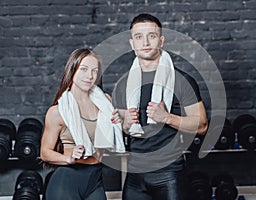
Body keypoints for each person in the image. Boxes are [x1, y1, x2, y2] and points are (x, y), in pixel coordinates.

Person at [112, 13, 208, 200]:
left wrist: (166, 117)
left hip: (168, 174)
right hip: (134, 175)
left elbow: (202, 126)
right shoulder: (125, 83)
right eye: (139, 37)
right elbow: (124, 130)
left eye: (152, 36)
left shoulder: (182, 80)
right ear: (132, 44)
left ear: (161, 41)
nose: (145, 42)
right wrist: (125, 124)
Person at [40, 48, 125, 200]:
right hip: (67, 180)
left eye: (94, 71)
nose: (89, 76)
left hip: (96, 178)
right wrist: (69, 158)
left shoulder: (105, 102)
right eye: (84, 69)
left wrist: (121, 121)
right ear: (72, 70)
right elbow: (45, 153)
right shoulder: (57, 111)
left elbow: (115, 136)